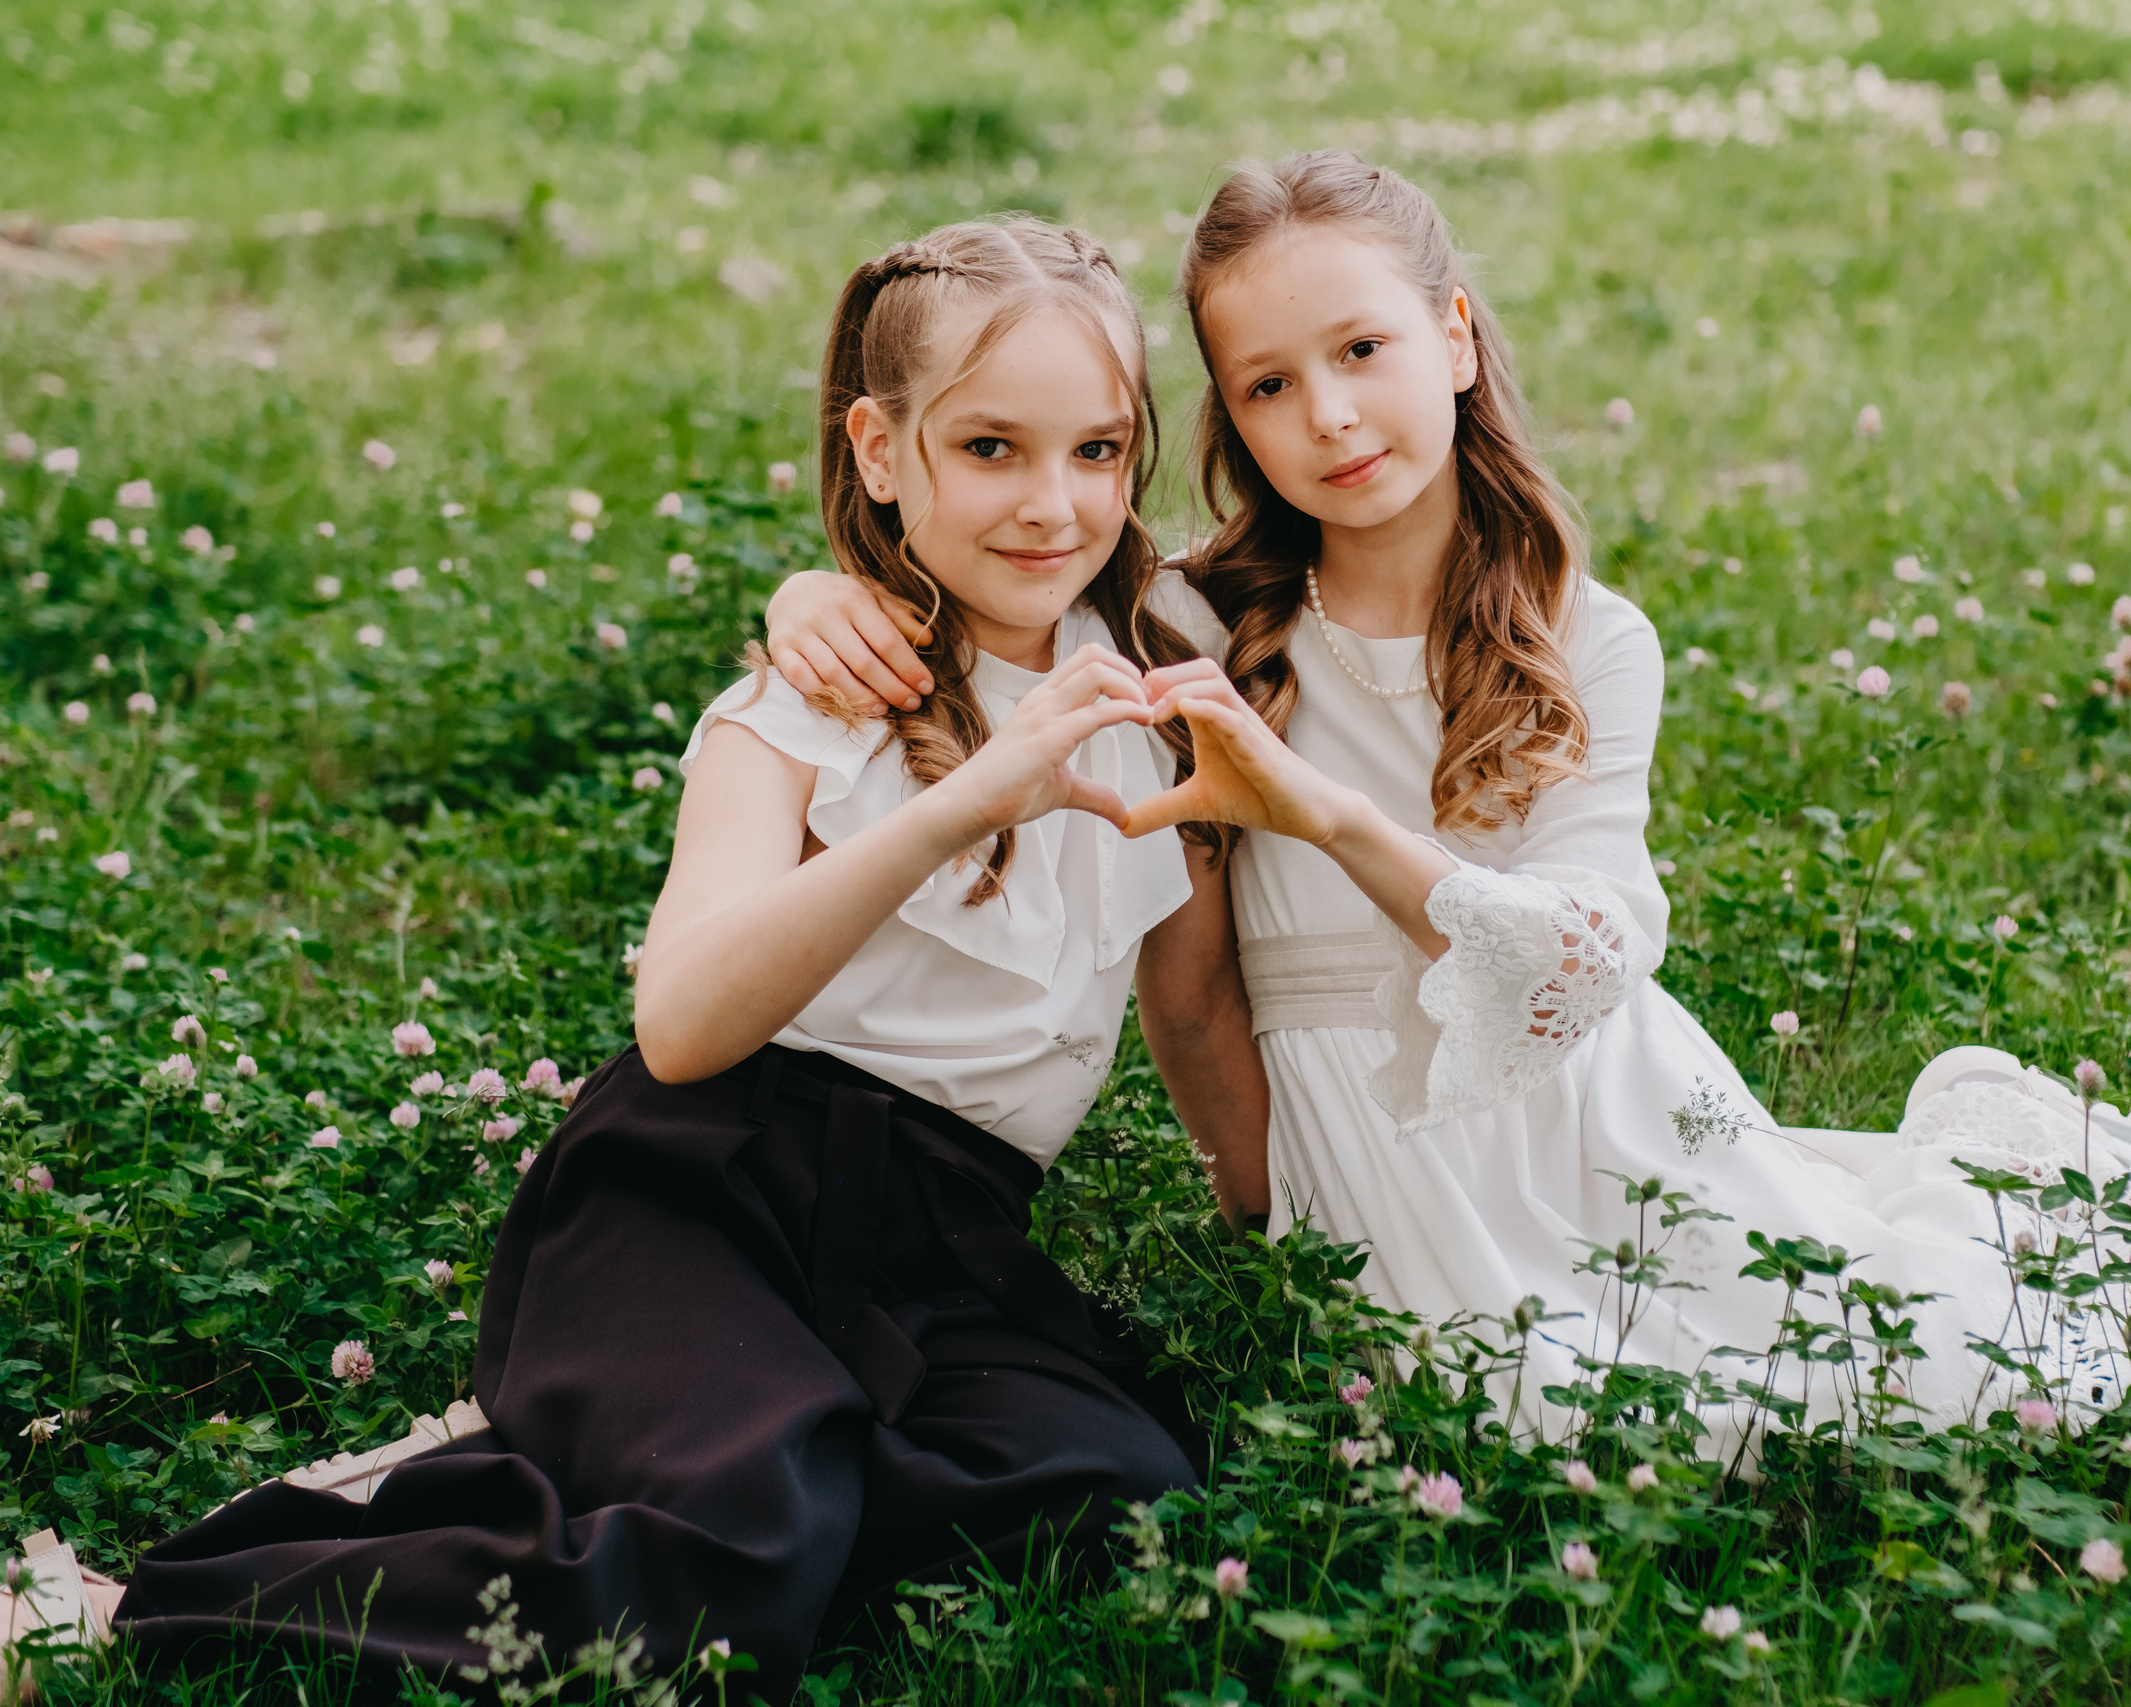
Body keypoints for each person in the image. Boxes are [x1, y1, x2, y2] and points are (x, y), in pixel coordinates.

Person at [760, 153, 2131, 1457]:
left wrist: (1324, 814)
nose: (1329, 415)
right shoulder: (1186, 626)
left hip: (1597, 1116)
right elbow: (1182, 978)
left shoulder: (1593, 643)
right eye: (1269, 385)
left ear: (1454, 338)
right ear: (1230, 421)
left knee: (1889, 1370)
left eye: (1363, 348)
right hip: (1359, 1153)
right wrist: (816, 588)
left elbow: (1585, 965)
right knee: (1500, 1408)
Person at [7, 217, 1264, 1696]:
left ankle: (577, 1455)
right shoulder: (794, 717)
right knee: (727, 1563)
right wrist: (961, 802)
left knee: (1111, 1497)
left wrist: (1277, 1249)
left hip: (943, 1243)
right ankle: (113, 1615)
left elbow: (1190, 995)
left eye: (1101, 451)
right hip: (701, 1190)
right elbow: (679, 1026)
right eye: (989, 449)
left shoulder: (1161, 649)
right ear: (880, 449)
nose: (1055, 505)